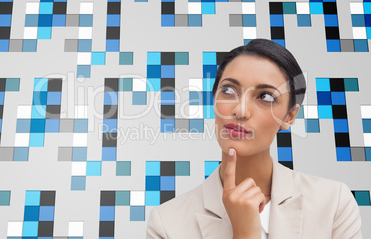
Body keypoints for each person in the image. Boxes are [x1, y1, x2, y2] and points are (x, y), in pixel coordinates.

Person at [146, 39, 362, 239]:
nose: (240, 110)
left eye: (265, 96)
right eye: (228, 90)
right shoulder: (167, 224)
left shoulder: (333, 203)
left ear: (289, 116)